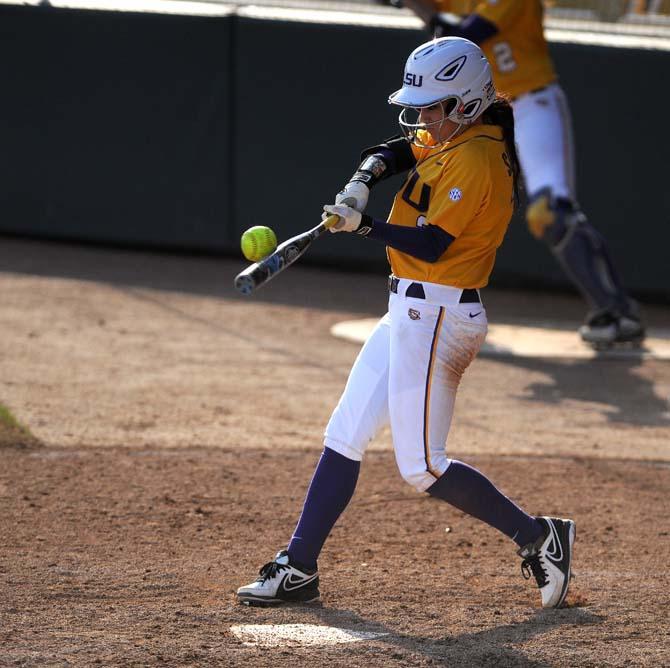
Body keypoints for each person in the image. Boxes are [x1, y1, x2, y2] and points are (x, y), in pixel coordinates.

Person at [237, 37, 575, 610]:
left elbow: (434, 244)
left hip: (441, 314)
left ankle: (539, 537)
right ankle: (298, 566)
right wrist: (364, 178)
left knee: (421, 467)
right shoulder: (453, 134)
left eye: (433, 107)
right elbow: (395, 149)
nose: (422, 117)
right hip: (411, 310)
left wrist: (362, 226)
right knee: (344, 432)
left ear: (466, 104)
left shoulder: (478, 157)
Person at [380, 0, 645, 347]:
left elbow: (464, 34)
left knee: (549, 213)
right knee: (447, 181)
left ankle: (616, 309)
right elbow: (441, 33)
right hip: (474, 111)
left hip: (530, 103)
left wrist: (419, 7)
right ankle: (438, 304)